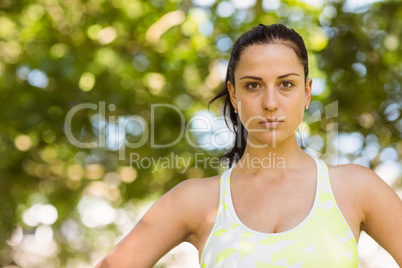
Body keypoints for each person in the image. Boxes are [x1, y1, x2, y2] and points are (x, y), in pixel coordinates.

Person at [96, 24, 402, 267]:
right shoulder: (195, 201)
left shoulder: (356, 188)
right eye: (253, 85)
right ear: (233, 94)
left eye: (286, 84)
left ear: (306, 93)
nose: (270, 103)